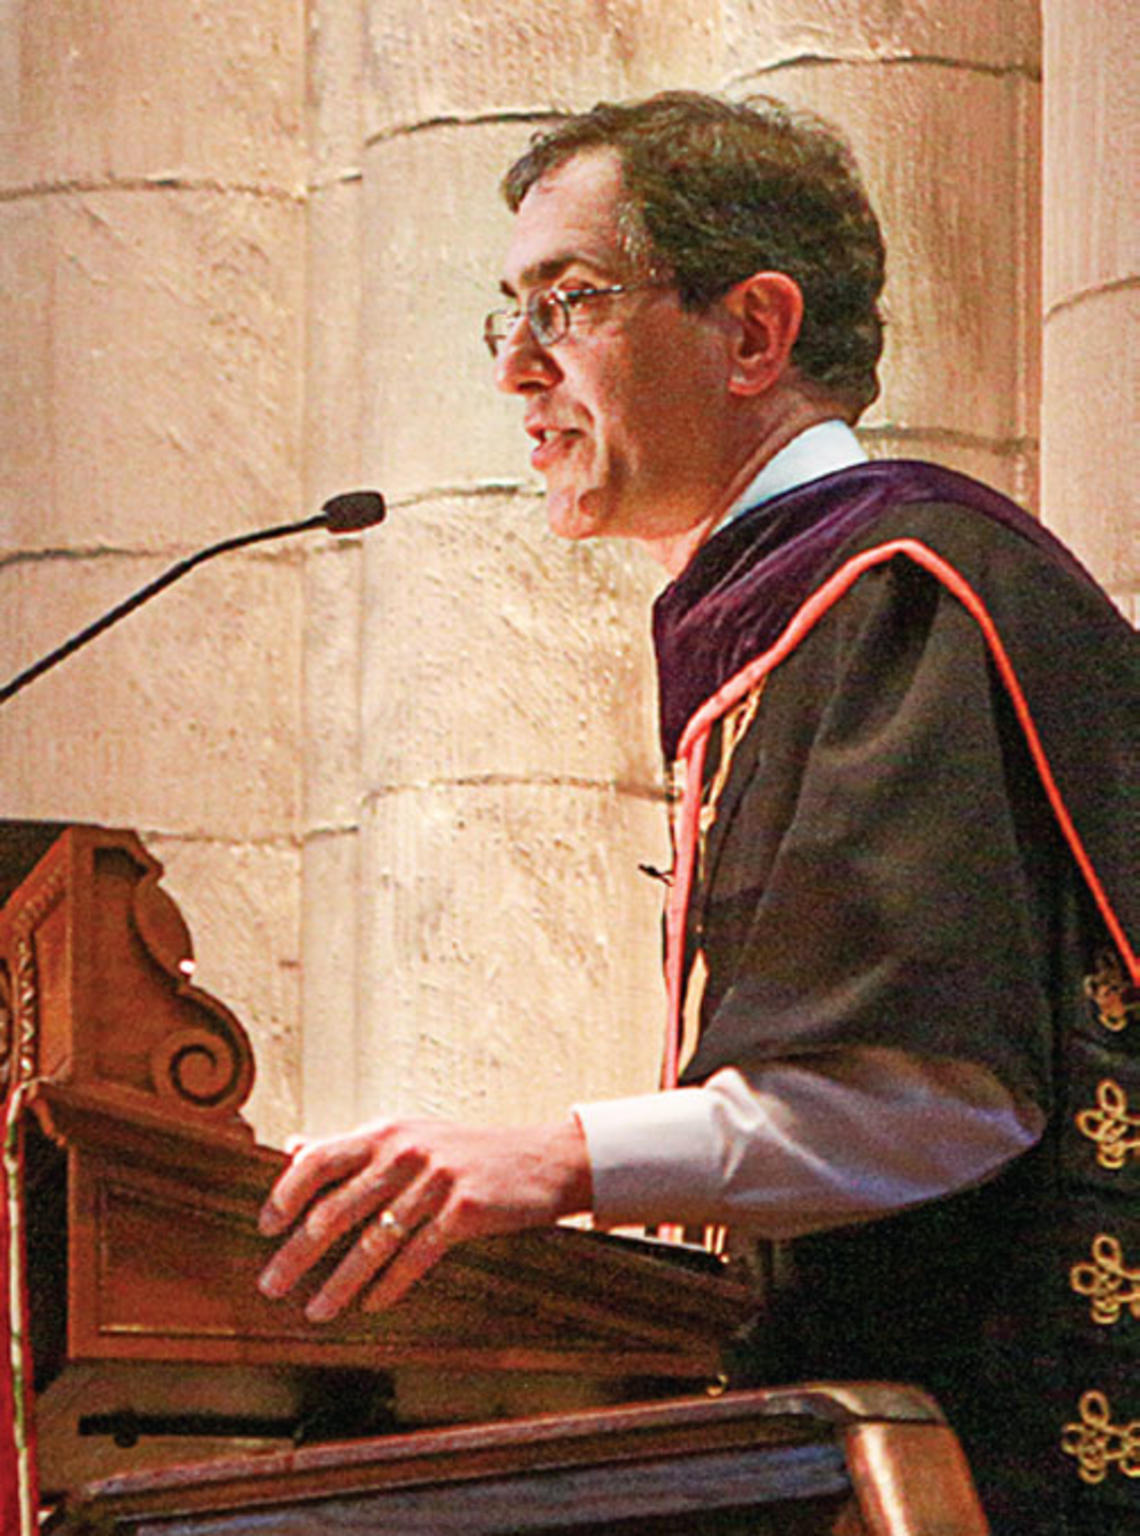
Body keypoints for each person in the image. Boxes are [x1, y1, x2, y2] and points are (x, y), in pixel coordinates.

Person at [258, 93, 1137, 1531]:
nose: (518, 371)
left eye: (572, 301)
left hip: (1003, 1448)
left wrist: (554, 1161)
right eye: (513, 312)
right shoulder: (799, 606)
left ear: (753, 333)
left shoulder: (907, 589)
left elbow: (940, 1098)